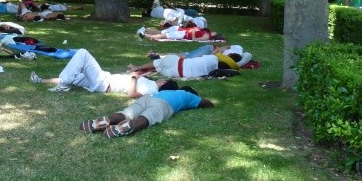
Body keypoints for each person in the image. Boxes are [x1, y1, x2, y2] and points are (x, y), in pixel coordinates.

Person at [80, 87, 214, 138]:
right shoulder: (187, 95)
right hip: (163, 104)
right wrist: (208, 103)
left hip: (148, 98)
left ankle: (104, 120)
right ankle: (127, 127)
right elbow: (205, 103)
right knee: (149, 116)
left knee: (128, 112)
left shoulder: (165, 91)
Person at [29, 49, 162, 96]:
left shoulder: (152, 89)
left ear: (164, 83)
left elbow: (132, 94)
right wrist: (131, 71)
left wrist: (133, 78)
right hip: (104, 79)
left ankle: (64, 85)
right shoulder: (149, 81)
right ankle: (40, 80)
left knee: (83, 53)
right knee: (74, 76)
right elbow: (150, 70)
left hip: (104, 83)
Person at [127, 51, 241, 79]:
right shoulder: (220, 69)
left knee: (161, 62)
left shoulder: (214, 57)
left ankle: (136, 68)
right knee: (159, 65)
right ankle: (141, 69)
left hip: (177, 64)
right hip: (177, 73)